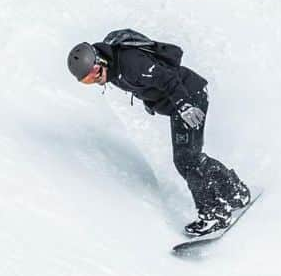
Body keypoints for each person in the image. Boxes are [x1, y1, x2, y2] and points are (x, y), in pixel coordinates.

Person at [68, 31, 250, 236]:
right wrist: (151, 101)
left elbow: (168, 78)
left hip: (190, 97)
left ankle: (215, 214)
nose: (95, 80)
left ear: (100, 60)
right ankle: (236, 193)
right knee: (191, 157)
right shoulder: (111, 70)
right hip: (179, 103)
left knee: (187, 159)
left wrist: (184, 106)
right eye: (87, 81)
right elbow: (143, 84)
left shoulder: (130, 63)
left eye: (93, 74)